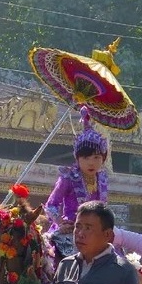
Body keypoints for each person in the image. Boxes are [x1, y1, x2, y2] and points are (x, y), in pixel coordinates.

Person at [44, 107, 110, 258]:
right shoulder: (68, 178)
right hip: (70, 232)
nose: (91, 163)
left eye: (96, 157)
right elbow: (51, 205)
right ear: (77, 159)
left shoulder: (103, 179)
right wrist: (60, 221)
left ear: (103, 159)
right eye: (86, 158)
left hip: (96, 232)